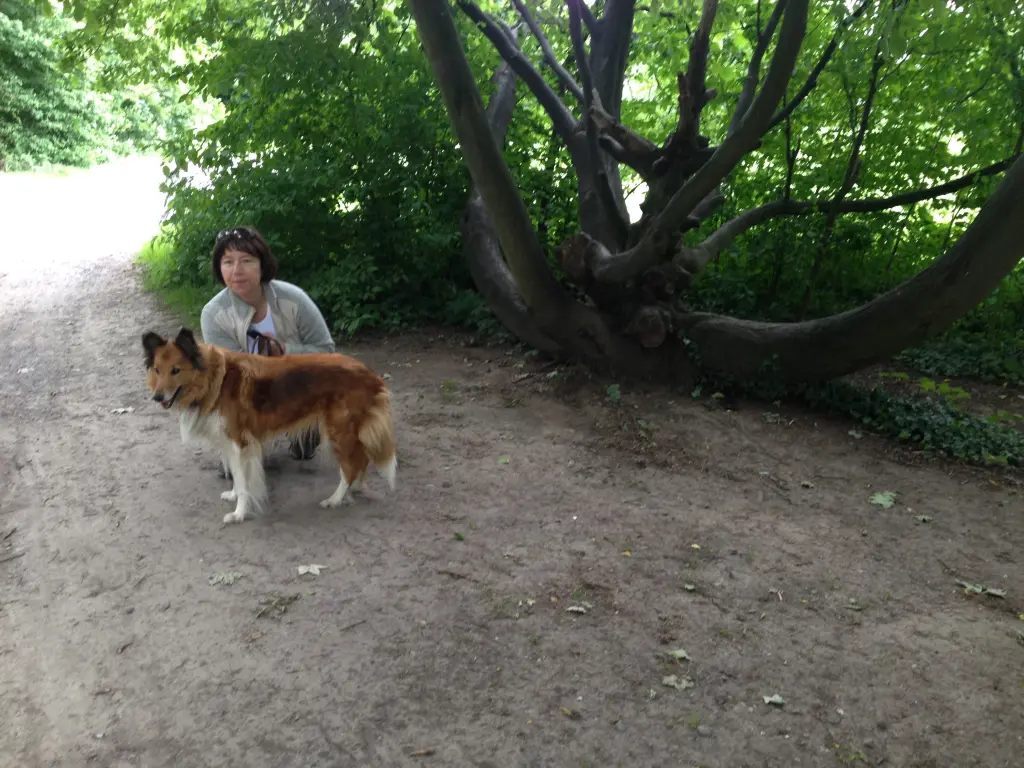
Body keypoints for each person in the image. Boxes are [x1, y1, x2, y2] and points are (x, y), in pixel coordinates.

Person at [199, 225, 335, 466]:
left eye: (247, 260)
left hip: (297, 386)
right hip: (249, 394)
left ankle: (303, 427)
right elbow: (229, 375)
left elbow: (327, 352)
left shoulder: (294, 299)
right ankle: (249, 438)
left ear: (262, 265)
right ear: (219, 268)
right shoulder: (213, 314)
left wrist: (284, 352)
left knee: (305, 448)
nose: (237, 271)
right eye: (228, 262)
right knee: (235, 466)